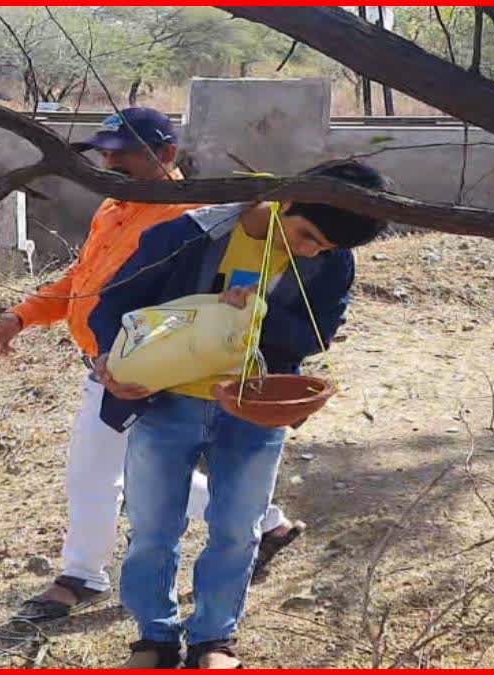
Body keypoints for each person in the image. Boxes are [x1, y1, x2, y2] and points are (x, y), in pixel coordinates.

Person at [0, 108, 305, 625]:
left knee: (100, 473)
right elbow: (83, 280)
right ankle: (267, 524)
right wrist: (22, 315)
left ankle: (83, 576)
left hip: (151, 371)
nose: (109, 163)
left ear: (167, 155)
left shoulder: (195, 217)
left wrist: (148, 364)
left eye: (123, 154)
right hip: (107, 364)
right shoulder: (113, 207)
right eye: (105, 153)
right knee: (129, 471)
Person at [86, 159, 391, 668]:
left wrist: (256, 314)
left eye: (324, 248)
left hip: (254, 406)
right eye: (307, 235)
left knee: (237, 528)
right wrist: (107, 357)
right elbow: (115, 302)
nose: (311, 250)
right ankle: (154, 639)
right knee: (152, 527)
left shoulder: (329, 262)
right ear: (286, 200)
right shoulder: (194, 233)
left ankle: (213, 640)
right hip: (166, 400)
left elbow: (317, 334)